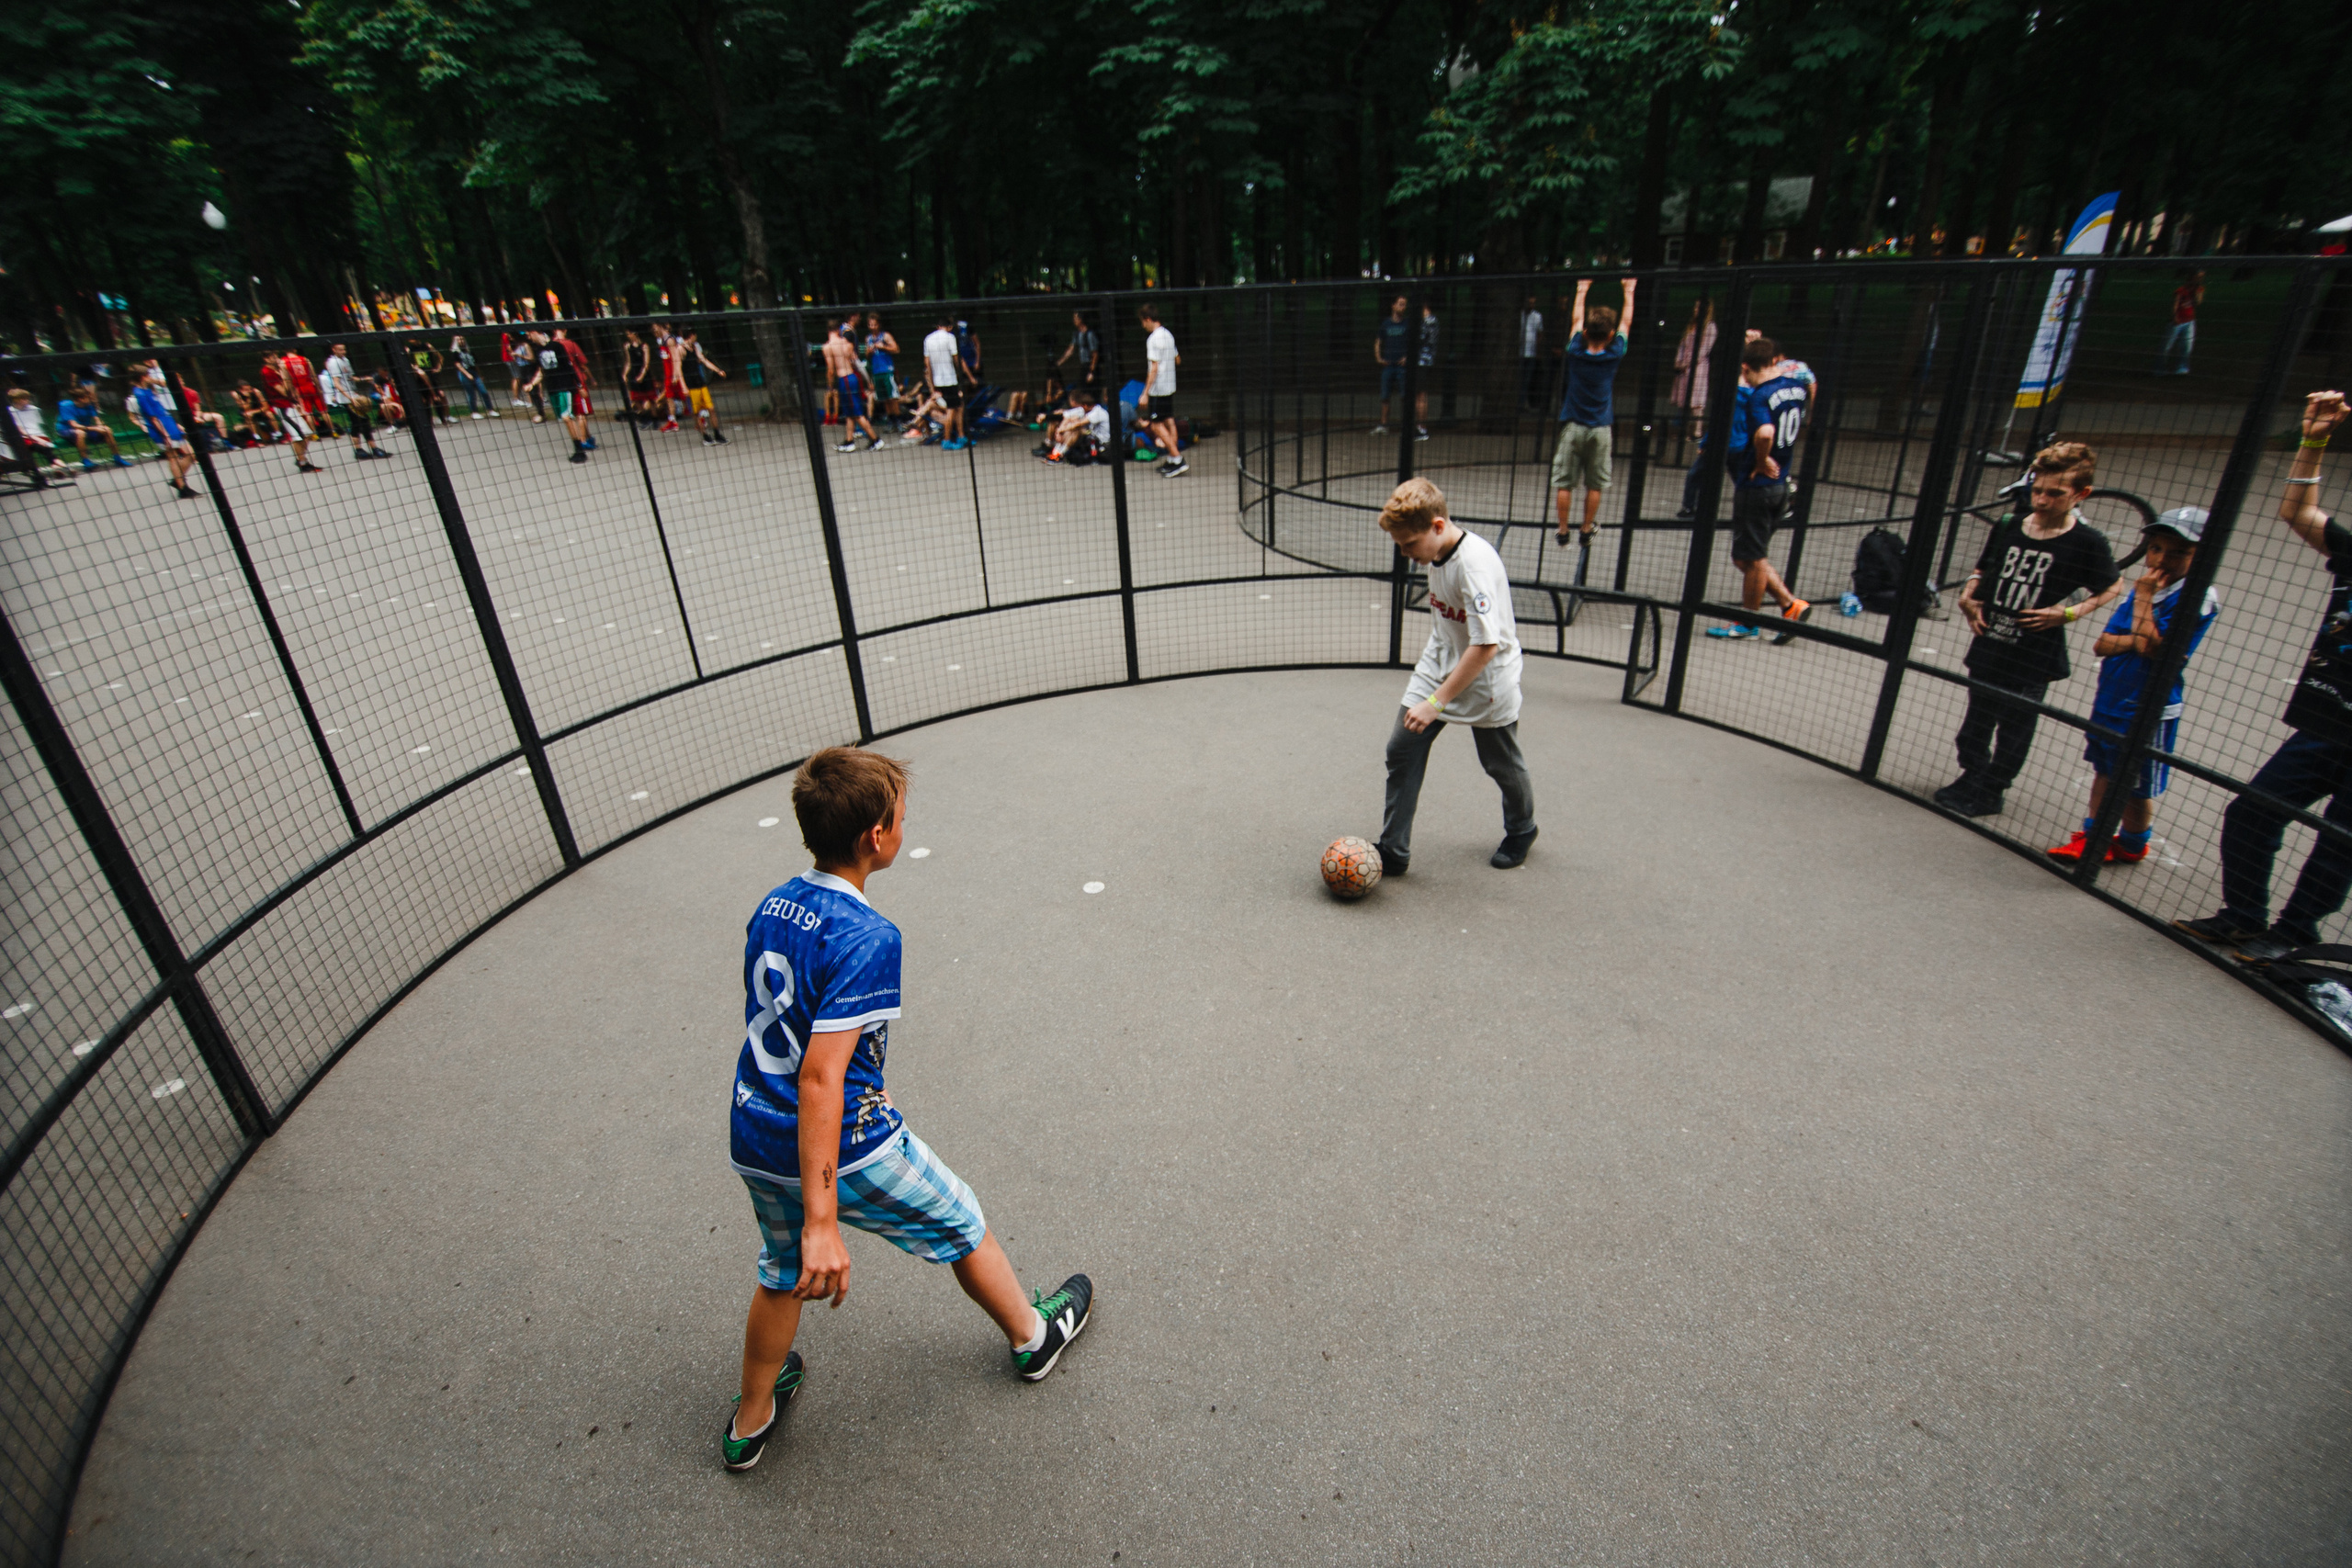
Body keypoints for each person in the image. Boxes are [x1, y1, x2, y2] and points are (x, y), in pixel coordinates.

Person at [719, 747, 1094, 1472]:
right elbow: (823, 1078)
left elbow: (802, 1031)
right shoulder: (869, 935)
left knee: (779, 1268)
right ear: (876, 838)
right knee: (961, 1217)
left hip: (753, 1132)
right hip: (843, 1147)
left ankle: (750, 1419)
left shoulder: (773, 902)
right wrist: (826, 1220)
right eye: (898, 818)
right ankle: (1033, 1337)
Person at [2178, 390, 2352, 961]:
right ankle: (2243, 915)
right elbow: (2298, 514)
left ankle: (2296, 933)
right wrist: (2314, 441)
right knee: (2254, 809)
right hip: (2328, 724)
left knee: (2338, 843)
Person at [1931, 441, 2124, 818]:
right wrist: (1970, 594)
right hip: (1992, 639)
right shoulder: (2009, 525)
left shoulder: (2086, 541)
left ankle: (1993, 788)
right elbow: (1985, 566)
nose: (2042, 500)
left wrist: (2067, 613)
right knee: (1976, 720)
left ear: (2080, 495)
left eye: (2055, 494)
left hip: (2034, 650)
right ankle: (1972, 774)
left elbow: (2111, 586)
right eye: (2037, 490)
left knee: (2015, 724)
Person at [1372, 477, 1537, 874]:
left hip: (1485, 677)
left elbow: (1485, 646)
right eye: (1399, 545)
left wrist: (1435, 703)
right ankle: (1394, 850)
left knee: (1500, 762)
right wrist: (1430, 694)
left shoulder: (1473, 565)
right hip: (1441, 663)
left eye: (1410, 544)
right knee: (1402, 748)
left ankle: (1521, 829)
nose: (1406, 554)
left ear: (1439, 526)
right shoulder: (1436, 553)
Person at [2046, 508, 2218, 866]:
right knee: (2105, 768)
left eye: (2177, 552)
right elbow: (2103, 643)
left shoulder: (2194, 597)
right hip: (2113, 694)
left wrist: (2142, 605)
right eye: (2155, 549)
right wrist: (2139, 631)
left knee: (2135, 783)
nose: (2161, 559)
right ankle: (2093, 835)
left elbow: (2152, 648)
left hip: (2148, 705)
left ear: (2200, 554)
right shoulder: (2148, 588)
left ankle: (2133, 842)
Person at [1702, 336, 1813, 643]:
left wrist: (1762, 459)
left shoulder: (1760, 396)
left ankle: (1751, 621)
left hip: (1759, 485)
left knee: (1752, 557)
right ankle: (1790, 606)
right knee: (1747, 556)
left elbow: (1764, 432)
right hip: (1781, 484)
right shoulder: (1795, 388)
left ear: (1748, 368)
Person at [1551, 276, 1637, 547]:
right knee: (1595, 483)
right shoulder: (1614, 354)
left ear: (1585, 332)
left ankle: (1563, 529)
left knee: (1565, 482)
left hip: (1573, 426)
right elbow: (1627, 322)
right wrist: (1628, 290)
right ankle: (1586, 527)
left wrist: (1582, 289)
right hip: (1600, 427)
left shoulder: (1575, 350)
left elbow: (1576, 320)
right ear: (1610, 335)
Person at [130, 371, 199, 499]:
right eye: (148, 376)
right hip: (162, 429)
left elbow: (161, 410)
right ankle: (183, 488)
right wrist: (165, 435)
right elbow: (153, 418)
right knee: (172, 456)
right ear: (142, 377)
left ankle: (177, 479)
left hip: (169, 424)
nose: (151, 378)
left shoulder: (148, 390)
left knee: (190, 453)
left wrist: (175, 424)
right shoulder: (140, 394)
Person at [525, 329, 591, 464]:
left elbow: (569, 366)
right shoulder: (538, 350)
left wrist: (579, 385)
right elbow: (542, 371)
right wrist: (532, 384)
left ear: (535, 332)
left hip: (565, 386)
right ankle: (577, 447)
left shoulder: (556, 346)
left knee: (567, 417)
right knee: (564, 418)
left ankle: (580, 450)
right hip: (552, 388)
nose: (528, 338)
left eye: (529, 334)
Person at [322, 343, 390, 460]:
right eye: (340, 349)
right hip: (346, 398)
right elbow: (336, 383)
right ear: (333, 349)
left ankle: (366, 449)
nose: (343, 351)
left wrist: (363, 379)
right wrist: (350, 398)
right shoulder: (333, 363)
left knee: (360, 422)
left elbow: (350, 378)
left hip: (352, 394)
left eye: (344, 349)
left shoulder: (345, 360)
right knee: (360, 421)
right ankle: (365, 449)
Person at [257, 354, 322, 475]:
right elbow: (284, 391)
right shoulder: (267, 372)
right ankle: (302, 463)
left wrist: (296, 402)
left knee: (308, 433)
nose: (277, 359)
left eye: (276, 357)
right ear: (266, 358)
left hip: (290, 405)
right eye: (273, 357)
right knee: (298, 435)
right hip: (282, 407)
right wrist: (287, 379)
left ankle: (300, 458)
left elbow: (291, 389)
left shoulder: (277, 370)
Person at [1138, 303, 1183, 477]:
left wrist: (1145, 393)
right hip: (1170, 385)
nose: (1143, 326)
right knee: (1169, 420)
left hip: (1158, 388)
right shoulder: (1168, 335)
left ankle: (1177, 459)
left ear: (1148, 319)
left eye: (1143, 322)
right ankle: (1172, 460)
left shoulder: (1153, 339)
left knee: (1156, 425)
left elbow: (1154, 368)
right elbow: (1177, 359)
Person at [821, 321, 876, 453]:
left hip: (844, 378)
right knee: (849, 413)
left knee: (856, 413)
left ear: (828, 331)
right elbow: (856, 362)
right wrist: (867, 379)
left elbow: (830, 370)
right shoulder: (847, 344)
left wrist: (830, 385)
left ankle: (875, 439)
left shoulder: (828, 347)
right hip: (853, 377)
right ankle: (849, 441)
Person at [56, 385, 130, 468]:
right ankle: (86, 461)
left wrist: (101, 426)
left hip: (85, 428)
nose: (92, 399)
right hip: (66, 430)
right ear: (81, 399)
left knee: (107, 430)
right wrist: (95, 428)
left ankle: (118, 458)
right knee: (80, 433)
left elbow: (97, 419)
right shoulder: (66, 406)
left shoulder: (89, 406)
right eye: (89, 397)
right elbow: (74, 425)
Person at [922, 315, 967, 450]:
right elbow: (955, 357)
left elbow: (927, 363)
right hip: (949, 379)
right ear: (950, 327)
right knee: (952, 409)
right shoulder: (950, 337)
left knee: (959, 406)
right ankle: (946, 440)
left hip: (938, 380)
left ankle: (961, 435)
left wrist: (931, 382)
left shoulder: (928, 339)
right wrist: (961, 373)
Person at [1035, 384, 1111, 464]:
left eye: (1081, 406)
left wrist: (1060, 430)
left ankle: (1060, 455)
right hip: (1090, 437)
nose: (1080, 408)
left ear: (1085, 405)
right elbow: (1065, 415)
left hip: (1101, 442)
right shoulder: (1085, 409)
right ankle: (1055, 453)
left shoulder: (1098, 412)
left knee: (1075, 429)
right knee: (1071, 422)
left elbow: (1078, 424)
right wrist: (1046, 417)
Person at [1372, 295, 1410, 435]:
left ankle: (1405, 425)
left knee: (1404, 396)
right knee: (1385, 396)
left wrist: (1407, 357)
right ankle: (1384, 424)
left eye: (1404, 304)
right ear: (1393, 306)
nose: (1403, 307)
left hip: (1402, 366)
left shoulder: (1407, 324)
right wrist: (1379, 358)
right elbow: (1378, 342)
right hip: (1388, 365)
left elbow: (1414, 343)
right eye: (1400, 304)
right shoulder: (1386, 324)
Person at [556, 329, 598, 449]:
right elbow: (583, 364)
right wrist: (592, 378)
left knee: (573, 410)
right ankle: (583, 440)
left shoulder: (552, 345)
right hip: (577, 380)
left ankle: (588, 436)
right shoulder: (570, 344)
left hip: (562, 382)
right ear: (565, 330)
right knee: (581, 412)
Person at [7, 389, 66, 472]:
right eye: (24, 399)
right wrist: (37, 439)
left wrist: (41, 439)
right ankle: (61, 467)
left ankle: (56, 468)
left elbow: (37, 426)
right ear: (16, 400)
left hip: (38, 435)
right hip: (24, 437)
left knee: (45, 447)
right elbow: (20, 430)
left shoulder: (34, 409)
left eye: (27, 398)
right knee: (38, 447)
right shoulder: (10, 412)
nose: (27, 401)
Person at [2159, 270, 2204, 377]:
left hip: (2190, 321)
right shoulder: (2181, 290)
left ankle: (2182, 368)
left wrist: (2197, 292)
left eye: (2202, 277)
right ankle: (2160, 368)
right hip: (2178, 321)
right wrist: (2175, 317)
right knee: (2167, 346)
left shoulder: (2199, 289)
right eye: (2198, 277)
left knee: (2187, 345)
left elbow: (2198, 302)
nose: (2200, 279)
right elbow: (2175, 304)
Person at [1052, 311, 1098, 406]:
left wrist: (1092, 371)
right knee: (1082, 390)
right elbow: (1071, 349)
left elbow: (1095, 354)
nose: (1074, 321)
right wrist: (1060, 362)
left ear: (1080, 320)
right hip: (1083, 365)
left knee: (1091, 392)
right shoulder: (1077, 334)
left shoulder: (1089, 334)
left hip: (1090, 366)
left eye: (1075, 318)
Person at [862, 314, 901, 422]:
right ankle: (890, 420)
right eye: (870, 325)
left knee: (892, 397)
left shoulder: (885, 336)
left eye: (875, 325)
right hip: (876, 371)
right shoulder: (868, 338)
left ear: (879, 325)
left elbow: (896, 349)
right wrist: (869, 352)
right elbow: (867, 355)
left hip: (887, 370)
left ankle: (898, 419)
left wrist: (883, 347)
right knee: (884, 398)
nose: (872, 327)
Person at [410, 339, 453, 424]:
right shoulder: (410, 349)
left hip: (431, 375)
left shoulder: (427, 346)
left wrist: (438, 367)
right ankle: (429, 421)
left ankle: (443, 419)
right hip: (420, 377)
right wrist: (415, 368)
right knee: (425, 400)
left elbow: (440, 357)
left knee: (436, 397)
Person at [451, 335, 492, 417]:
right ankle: (474, 412)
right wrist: (467, 374)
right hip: (464, 373)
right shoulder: (456, 353)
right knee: (471, 393)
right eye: (459, 340)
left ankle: (490, 409)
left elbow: (475, 364)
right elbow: (458, 365)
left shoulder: (469, 351)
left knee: (483, 391)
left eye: (462, 339)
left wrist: (480, 374)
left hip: (474, 372)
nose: (461, 341)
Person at [1517, 295, 1544, 412]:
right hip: (1519, 353)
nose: (1531, 305)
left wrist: (1538, 350)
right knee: (1518, 380)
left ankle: (1522, 404)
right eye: (1529, 302)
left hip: (1531, 353)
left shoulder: (1537, 316)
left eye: (1533, 303)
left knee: (1526, 380)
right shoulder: (1519, 315)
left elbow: (1540, 333)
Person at [230, 380, 274, 446]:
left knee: (270, 414)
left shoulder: (256, 392)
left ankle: (278, 435)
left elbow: (266, 406)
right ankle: (257, 438)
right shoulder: (236, 394)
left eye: (250, 389)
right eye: (246, 390)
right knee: (248, 415)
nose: (249, 391)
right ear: (240, 390)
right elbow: (245, 408)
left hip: (259, 409)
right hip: (247, 411)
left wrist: (254, 412)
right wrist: (248, 398)